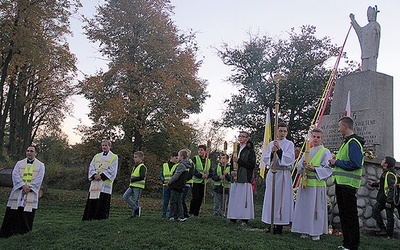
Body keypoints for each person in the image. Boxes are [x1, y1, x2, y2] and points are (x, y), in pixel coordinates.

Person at [329, 116, 365, 250]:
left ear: (345, 126)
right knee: (344, 214)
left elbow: (355, 163)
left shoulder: (353, 142)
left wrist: (336, 162)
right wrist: (335, 164)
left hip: (348, 184)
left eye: (339, 127)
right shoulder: (347, 142)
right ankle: (346, 242)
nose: (338, 130)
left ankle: (352, 244)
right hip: (341, 183)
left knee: (350, 215)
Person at [291, 128, 333, 241]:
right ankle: (304, 230)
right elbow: (298, 167)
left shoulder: (325, 152)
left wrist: (315, 169)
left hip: (317, 184)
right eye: (314, 136)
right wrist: (303, 166)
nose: (315, 139)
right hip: (305, 183)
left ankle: (316, 231)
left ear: (321, 138)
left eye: (318, 137)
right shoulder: (307, 151)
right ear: (311, 137)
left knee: (316, 209)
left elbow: (328, 169)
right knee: (304, 208)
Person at [0, 145, 45, 238]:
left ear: (36, 153)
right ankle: (8, 233)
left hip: (31, 192)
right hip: (19, 191)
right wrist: (22, 186)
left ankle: (24, 233)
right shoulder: (19, 163)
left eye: (31, 151)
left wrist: (29, 188)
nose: (29, 152)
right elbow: (15, 175)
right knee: (14, 211)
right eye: (28, 150)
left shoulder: (41, 165)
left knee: (27, 214)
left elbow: (39, 178)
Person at [261, 122, 295, 234]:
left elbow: (290, 158)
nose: (282, 133)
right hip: (273, 173)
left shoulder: (289, 144)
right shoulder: (271, 143)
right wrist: (272, 153)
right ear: (277, 131)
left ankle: (280, 225)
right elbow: (266, 158)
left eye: (284, 131)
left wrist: (280, 150)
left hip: (283, 174)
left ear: (287, 132)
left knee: (282, 199)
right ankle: (271, 223)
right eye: (280, 131)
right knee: (272, 198)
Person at [82, 139, 118, 220]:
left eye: (106, 145)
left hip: (105, 183)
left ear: (109, 146)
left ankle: (100, 218)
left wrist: (101, 176)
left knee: (102, 201)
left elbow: (113, 170)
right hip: (95, 182)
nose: (104, 147)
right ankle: (90, 217)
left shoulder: (114, 157)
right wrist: (94, 175)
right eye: (103, 145)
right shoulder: (97, 156)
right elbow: (91, 166)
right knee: (93, 200)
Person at [227, 131, 256, 227]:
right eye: (239, 136)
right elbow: (232, 162)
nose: (241, 138)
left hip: (245, 177)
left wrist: (239, 161)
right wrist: (232, 170)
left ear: (247, 139)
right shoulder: (236, 149)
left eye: (243, 136)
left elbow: (251, 165)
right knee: (235, 197)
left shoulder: (250, 151)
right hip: (236, 177)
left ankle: (244, 219)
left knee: (244, 199)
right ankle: (233, 217)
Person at [368, 156, 397, 239]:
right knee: (375, 211)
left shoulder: (390, 174)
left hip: (387, 199)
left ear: (386, 164)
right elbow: (383, 184)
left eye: (383, 160)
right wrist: (374, 184)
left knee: (389, 217)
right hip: (383, 198)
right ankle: (383, 229)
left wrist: (389, 201)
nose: (382, 161)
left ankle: (389, 234)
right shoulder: (386, 173)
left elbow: (392, 188)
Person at [350, 6, 381, 71]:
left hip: (372, 52)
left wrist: (376, 30)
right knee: (364, 70)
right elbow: (359, 30)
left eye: (370, 15)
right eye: (368, 15)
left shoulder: (376, 25)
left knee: (371, 69)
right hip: (365, 52)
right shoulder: (365, 28)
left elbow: (377, 34)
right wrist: (353, 20)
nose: (369, 17)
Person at [167, 149, 191, 222]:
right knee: (179, 201)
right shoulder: (187, 165)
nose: (177, 157)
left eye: (179, 155)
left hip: (176, 186)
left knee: (173, 201)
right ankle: (180, 216)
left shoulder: (181, 165)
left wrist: (169, 182)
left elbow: (176, 176)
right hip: (181, 186)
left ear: (182, 157)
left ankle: (174, 216)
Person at [123, 151, 147, 218]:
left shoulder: (142, 166)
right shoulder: (135, 166)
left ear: (141, 158)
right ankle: (136, 208)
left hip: (138, 186)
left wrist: (133, 179)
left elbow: (142, 176)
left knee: (135, 200)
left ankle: (134, 215)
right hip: (132, 185)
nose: (134, 159)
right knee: (125, 196)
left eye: (136, 157)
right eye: (134, 157)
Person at [188, 145, 210, 217]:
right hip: (196, 181)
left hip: (203, 182)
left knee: (200, 198)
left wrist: (208, 174)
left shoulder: (208, 161)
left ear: (205, 151)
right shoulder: (195, 159)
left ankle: (196, 213)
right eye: (199, 150)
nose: (200, 151)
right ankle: (191, 212)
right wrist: (201, 176)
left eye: (201, 150)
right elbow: (193, 170)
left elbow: (211, 171)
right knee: (195, 197)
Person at [160, 152, 179, 219]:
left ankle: (171, 215)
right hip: (165, 185)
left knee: (172, 202)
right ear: (172, 157)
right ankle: (163, 215)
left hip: (173, 186)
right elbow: (161, 174)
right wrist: (163, 180)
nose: (177, 159)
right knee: (165, 201)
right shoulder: (164, 165)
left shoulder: (177, 166)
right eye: (176, 158)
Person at [181, 149, 194, 218]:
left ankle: (185, 213)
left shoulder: (190, 163)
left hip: (187, 183)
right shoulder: (181, 162)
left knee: (182, 198)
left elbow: (191, 173)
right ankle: (181, 212)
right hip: (182, 183)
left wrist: (185, 180)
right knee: (180, 198)